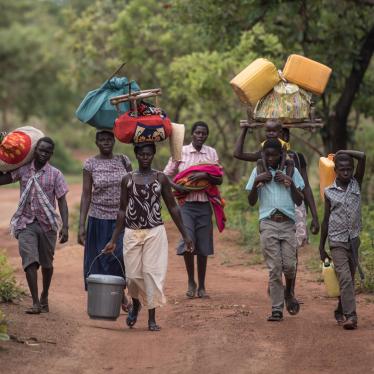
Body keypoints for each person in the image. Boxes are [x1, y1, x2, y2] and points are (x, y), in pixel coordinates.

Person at [103, 142, 193, 331]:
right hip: (132, 232)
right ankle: (136, 303)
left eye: (149, 154)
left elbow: (173, 206)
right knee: (133, 276)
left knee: (151, 274)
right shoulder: (127, 179)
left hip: (154, 232)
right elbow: (121, 210)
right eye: (142, 154)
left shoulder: (160, 178)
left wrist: (186, 235)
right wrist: (113, 239)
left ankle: (152, 318)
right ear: (136, 154)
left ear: (153, 155)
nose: (145, 157)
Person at [0, 137, 69, 314]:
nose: (43, 154)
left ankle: (45, 295)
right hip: (25, 223)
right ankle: (36, 302)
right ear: (35, 150)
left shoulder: (56, 174)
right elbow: (4, 179)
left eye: (47, 151)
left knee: (47, 265)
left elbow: (62, 201)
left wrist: (66, 226)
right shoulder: (23, 170)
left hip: (48, 225)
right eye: (40, 150)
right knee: (30, 261)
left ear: (51, 154)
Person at [246, 139, 304, 322]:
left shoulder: (291, 171)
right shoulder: (258, 171)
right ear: (263, 155)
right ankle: (276, 308)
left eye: (274, 155)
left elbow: (299, 199)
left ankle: (288, 292)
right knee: (275, 268)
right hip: (268, 223)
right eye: (267, 155)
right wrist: (257, 182)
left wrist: (289, 182)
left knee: (290, 265)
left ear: (281, 155)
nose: (270, 158)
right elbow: (251, 201)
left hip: (287, 224)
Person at [164, 121, 222, 299]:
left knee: (203, 247)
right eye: (197, 133)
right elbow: (165, 176)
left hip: (205, 205)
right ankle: (191, 281)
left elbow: (218, 179)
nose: (200, 136)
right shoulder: (180, 152)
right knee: (188, 243)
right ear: (192, 134)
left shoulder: (211, 153)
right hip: (186, 206)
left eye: (204, 133)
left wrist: (205, 175)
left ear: (207, 136)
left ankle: (202, 286)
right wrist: (178, 188)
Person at [78, 129, 132, 310]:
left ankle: (119, 292)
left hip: (122, 219)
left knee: (119, 257)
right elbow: (86, 195)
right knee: (100, 259)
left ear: (114, 141)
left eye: (109, 139)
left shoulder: (123, 160)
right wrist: (81, 225)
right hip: (98, 218)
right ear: (97, 143)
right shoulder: (90, 164)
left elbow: (134, 187)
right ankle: (113, 299)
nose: (106, 142)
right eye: (102, 140)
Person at [319, 150, 366, 330]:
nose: (346, 172)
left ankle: (340, 309)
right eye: (342, 169)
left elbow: (362, 157)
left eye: (349, 169)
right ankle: (351, 316)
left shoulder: (356, 184)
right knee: (345, 278)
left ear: (352, 170)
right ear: (336, 171)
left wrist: (343, 152)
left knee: (349, 279)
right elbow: (326, 220)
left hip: (353, 240)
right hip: (336, 241)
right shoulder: (329, 192)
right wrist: (321, 247)